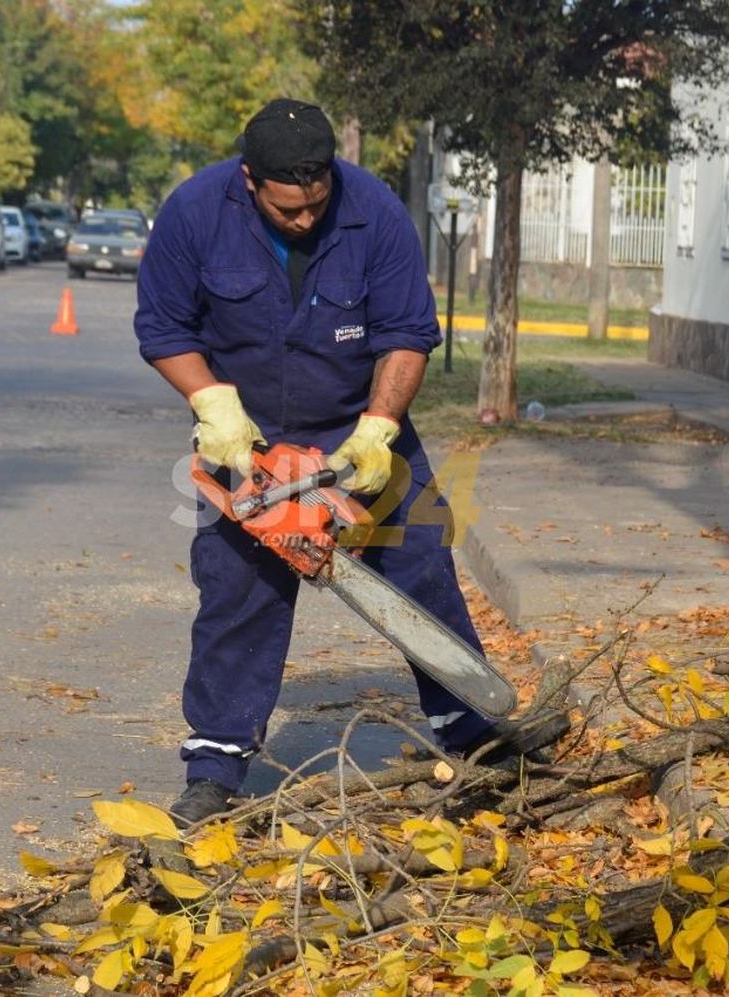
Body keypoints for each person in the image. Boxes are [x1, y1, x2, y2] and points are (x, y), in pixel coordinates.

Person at [134, 99, 543, 827]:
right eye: (288, 209)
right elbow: (163, 325)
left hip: (358, 422)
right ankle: (215, 766)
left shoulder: (374, 211)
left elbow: (408, 332)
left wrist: (379, 428)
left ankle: (474, 738)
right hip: (250, 437)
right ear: (249, 180)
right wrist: (213, 406)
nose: (305, 220)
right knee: (237, 592)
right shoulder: (195, 213)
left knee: (421, 569)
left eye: (315, 204)